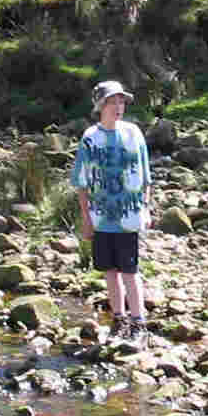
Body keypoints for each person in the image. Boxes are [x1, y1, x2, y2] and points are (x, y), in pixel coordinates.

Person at [71, 80, 152, 350]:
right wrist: (86, 218)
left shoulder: (134, 133)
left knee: (130, 271)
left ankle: (139, 323)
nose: (119, 107)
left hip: (128, 217)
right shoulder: (89, 138)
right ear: (100, 105)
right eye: (113, 102)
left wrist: (146, 207)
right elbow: (81, 182)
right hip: (101, 217)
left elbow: (146, 176)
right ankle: (119, 320)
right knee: (110, 271)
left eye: (122, 102)